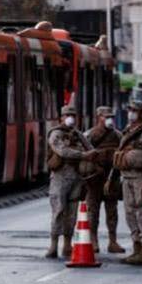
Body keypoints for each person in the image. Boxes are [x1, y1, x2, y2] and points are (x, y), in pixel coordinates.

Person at [46, 105, 97, 258]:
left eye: (73, 115)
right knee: (58, 211)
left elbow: (91, 149)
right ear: (61, 117)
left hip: (76, 177)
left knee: (73, 213)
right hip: (60, 178)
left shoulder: (78, 134)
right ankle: (53, 245)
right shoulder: (56, 134)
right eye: (67, 115)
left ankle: (67, 245)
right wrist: (84, 155)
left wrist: (92, 155)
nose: (71, 118)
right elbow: (62, 151)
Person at [114, 101, 142, 266]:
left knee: (141, 213)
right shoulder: (127, 131)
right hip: (126, 178)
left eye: (134, 111)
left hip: (139, 178)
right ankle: (136, 248)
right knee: (129, 213)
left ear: (141, 113)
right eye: (130, 110)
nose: (131, 113)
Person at [84, 106, 125, 254]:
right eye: (105, 117)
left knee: (112, 211)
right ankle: (93, 240)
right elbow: (84, 156)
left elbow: (123, 153)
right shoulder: (90, 135)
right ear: (98, 117)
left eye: (110, 117)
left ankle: (112, 241)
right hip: (95, 179)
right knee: (93, 211)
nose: (109, 120)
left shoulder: (118, 136)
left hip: (112, 178)